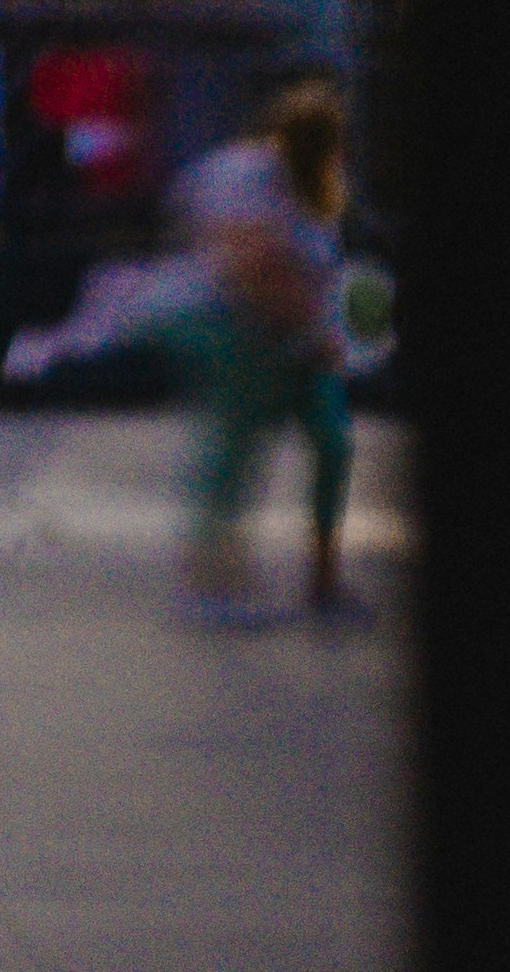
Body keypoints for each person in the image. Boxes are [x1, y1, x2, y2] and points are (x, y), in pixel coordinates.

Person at [181, 80, 357, 624]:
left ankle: (323, 582)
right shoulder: (248, 172)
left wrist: (322, 331)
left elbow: (316, 272)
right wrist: (315, 325)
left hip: (301, 346)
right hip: (241, 336)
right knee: (235, 457)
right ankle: (211, 584)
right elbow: (248, 262)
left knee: (333, 444)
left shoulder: (319, 189)